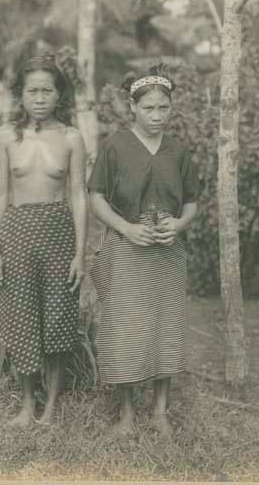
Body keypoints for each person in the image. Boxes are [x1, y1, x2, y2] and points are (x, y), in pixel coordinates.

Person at [88, 64, 199, 436]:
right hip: (127, 247)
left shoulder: (178, 151)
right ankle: (125, 415)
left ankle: (160, 412)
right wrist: (126, 228)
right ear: (132, 107)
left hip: (167, 252)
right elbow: (96, 197)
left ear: (171, 108)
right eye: (148, 108)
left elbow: (193, 202)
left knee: (165, 327)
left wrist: (178, 225)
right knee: (126, 328)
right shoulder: (115, 146)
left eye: (163, 108)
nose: (156, 115)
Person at [0, 56, 87, 428]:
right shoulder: (6, 137)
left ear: (59, 94)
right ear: (21, 95)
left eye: (48, 90)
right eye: (33, 90)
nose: (40, 98)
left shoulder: (71, 137)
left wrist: (79, 253)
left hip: (59, 229)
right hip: (18, 229)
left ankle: (51, 407)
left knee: (59, 315)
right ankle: (27, 406)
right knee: (21, 314)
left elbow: (77, 194)